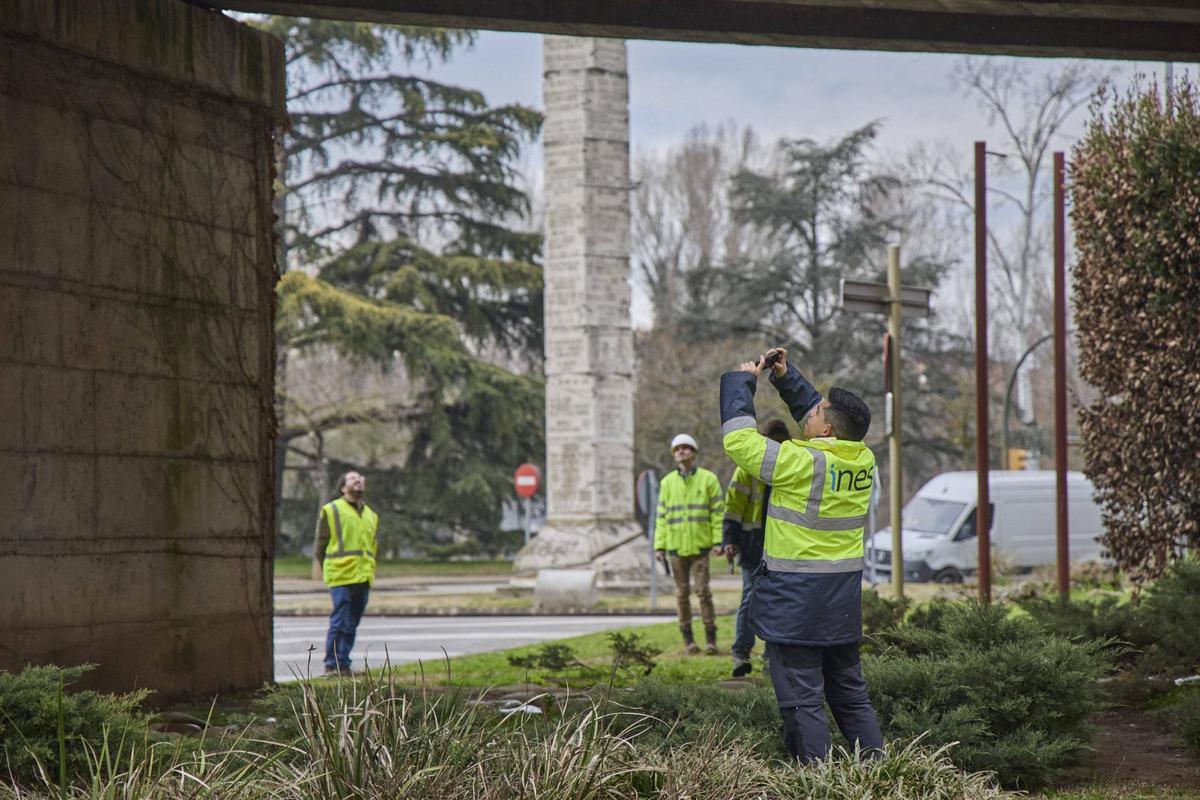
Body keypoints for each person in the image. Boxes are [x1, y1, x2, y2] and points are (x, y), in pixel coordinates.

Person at [719, 347, 884, 763]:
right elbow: (821, 415)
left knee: (802, 700)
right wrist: (786, 376)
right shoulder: (862, 459)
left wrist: (744, 382)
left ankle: (817, 780)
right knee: (849, 693)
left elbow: (738, 440)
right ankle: (878, 767)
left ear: (826, 432)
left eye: (818, 412)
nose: (811, 413)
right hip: (841, 602)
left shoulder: (800, 463)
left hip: (796, 603)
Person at [722, 417, 791, 677]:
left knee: (774, 602)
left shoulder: (789, 467)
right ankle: (741, 654)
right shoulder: (748, 469)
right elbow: (734, 506)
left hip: (779, 548)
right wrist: (730, 540)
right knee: (751, 600)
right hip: (754, 547)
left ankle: (768, 657)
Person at [654, 433, 724, 655]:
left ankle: (711, 640)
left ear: (694, 453)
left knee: (703, 592)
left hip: (701, 547)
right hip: (676, 548)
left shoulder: (708, 479)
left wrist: (718, 541)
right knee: (681, 594)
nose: (681, 452)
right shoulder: (667, 483)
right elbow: (662, 517)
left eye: (685, 448)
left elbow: (717, 514)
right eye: (677, 449)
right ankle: (688, 641)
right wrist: (660, 546)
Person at [313, 470, 379, 675]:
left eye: (360, 477)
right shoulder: (331, 509)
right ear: (343, 487)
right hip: (340, 575)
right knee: (339, 620)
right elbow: (321, 544)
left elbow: (373, 545)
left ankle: (344, 664)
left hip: (364, 575)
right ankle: (331, 665)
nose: (358, 479)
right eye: (352, 478)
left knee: (352, 623)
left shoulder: (371, 515)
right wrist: (329, 566)